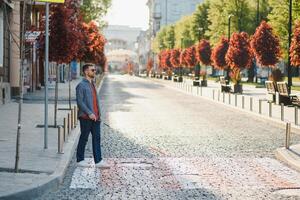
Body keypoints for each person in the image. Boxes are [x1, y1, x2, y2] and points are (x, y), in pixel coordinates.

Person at [75, 63, 109, 168]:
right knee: (84, 138)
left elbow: (95, 101)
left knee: (97, 138)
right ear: (86, 72)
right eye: (92, 70)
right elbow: (80, 102)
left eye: (94, 70)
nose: (94, 72)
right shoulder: (81, 85)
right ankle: (80, 159)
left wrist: (98, 114)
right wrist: (89, 113)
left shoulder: (93, 84)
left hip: (96, 118)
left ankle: (98, 161)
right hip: (86, 117)